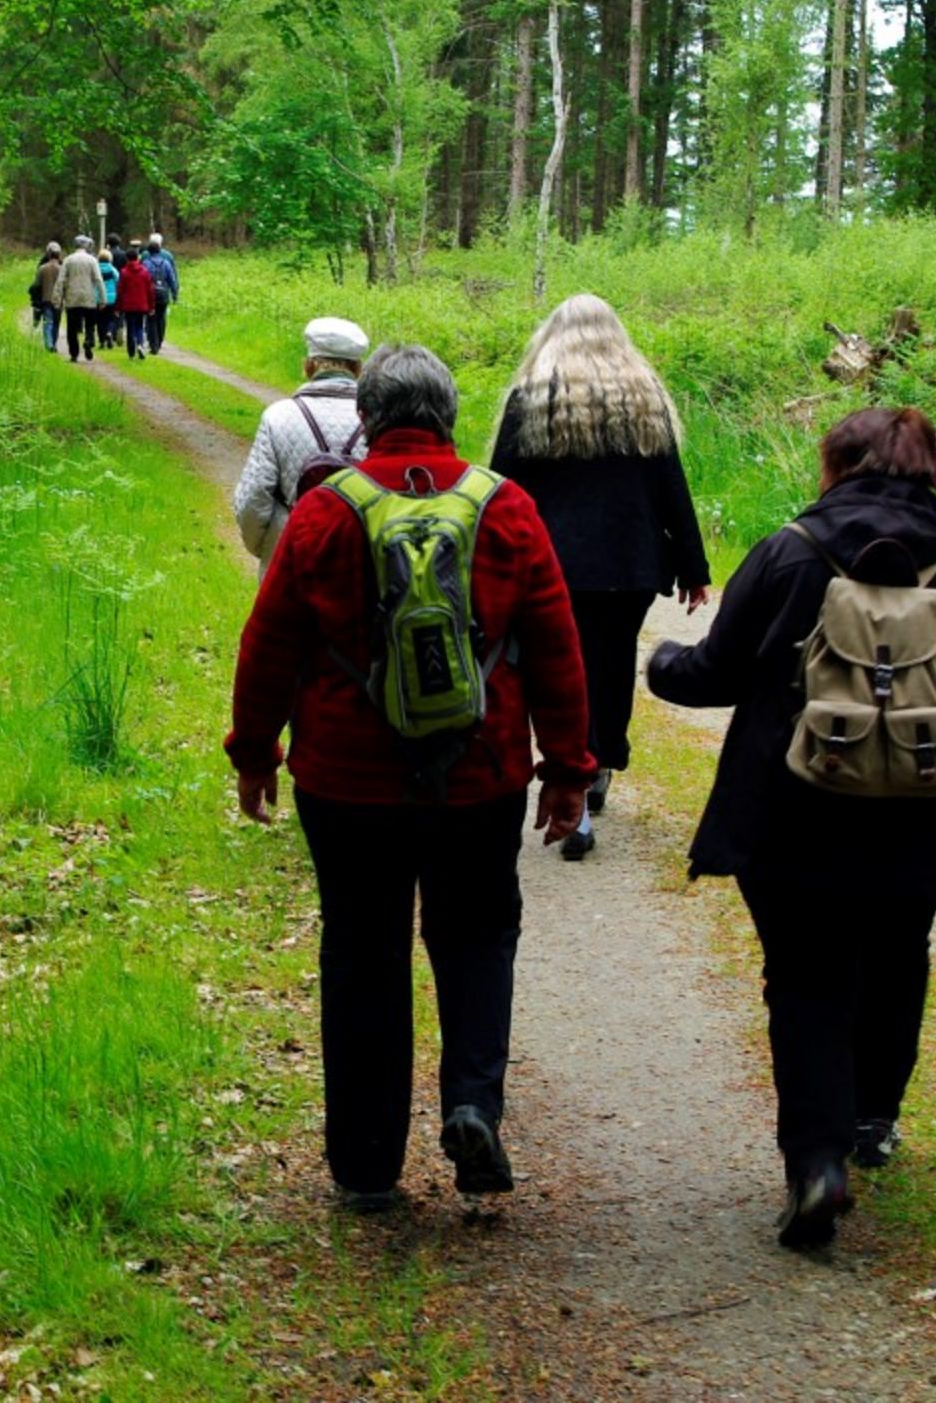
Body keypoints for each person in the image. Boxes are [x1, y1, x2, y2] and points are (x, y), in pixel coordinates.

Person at [646, 406, 936, 1251]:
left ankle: (818, 1162)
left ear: (835, 466)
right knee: (897, 956)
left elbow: (715, 673)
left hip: (792, 809)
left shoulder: (788, 553)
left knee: (805, 976)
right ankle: (873, 1115)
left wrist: (662, 666)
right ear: (929, 474)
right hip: (926, 814)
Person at [227, 344, 594, 1212]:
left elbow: (269, 643)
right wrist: (567, 770)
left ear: (367, 419)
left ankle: (366, 1168)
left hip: (346, 782)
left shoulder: (325, 512)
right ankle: (472, 1105)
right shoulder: (506, 508)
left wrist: (255, 754)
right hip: (481, 776)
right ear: (450, 417)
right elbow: (555, 646)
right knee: (477, 937)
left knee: (363, 953)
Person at [490, 294, 710, 862]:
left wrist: (487, 558)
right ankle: (600, 762)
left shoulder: (531, 399)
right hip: (629, 565)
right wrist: (694, 568)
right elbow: (671, 487)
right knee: (610, 666)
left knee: (559, 672)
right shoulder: (644, 398)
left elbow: (501, 486)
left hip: (552, 564)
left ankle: (580, 776)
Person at [233, 318, 369, 575]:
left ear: (309, 365)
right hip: (359, 561)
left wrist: (268, 548)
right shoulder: (377, 420)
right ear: (358, 368)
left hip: (291, 557)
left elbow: (253, 498)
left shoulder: (278, 416)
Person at [57, 236, 104, 362]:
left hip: (72, 299)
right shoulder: (92, 260)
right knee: (90, 324)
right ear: (87, 246)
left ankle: (74, 354)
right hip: (89, 298)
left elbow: (60, 280)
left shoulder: (68, 260)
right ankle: (89, 340)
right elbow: (98, 280)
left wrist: (57, 299)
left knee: (71, 328)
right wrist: (102, 299)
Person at [115, 242, 156, 359]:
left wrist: (117, 307)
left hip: (128, 305)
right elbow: (150, 290)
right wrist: (152, 306)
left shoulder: (124, 272)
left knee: (130, 327)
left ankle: (131, 352)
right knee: (139, 326)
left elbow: (120, 291)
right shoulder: (145, 272)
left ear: (127, 259)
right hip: (142, 304)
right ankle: (140, 344)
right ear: (137, 258)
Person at [141, 234, 180, 353]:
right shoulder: (166, 262)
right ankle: (160, 339)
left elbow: (142, 279)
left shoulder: (146, 262)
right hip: (163, 294)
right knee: (161, 318)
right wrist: (175, 294)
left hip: (150, 295)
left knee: (151, 319)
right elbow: (172, 279)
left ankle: (153, 344)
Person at [30, 242, 64, 352]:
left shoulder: (42, 268)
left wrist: (35, 297)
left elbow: (36, 285)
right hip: (58, 301)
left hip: (46, 300)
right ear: (59, 255)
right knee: (56, 324)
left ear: (49, 254)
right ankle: (53, 344)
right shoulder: (62, 269)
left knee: (48, 323)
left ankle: (49, 344)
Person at [96, 249, 121, 355]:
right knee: (111, 318)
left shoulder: (96, 269)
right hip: (111, 298)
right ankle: (110, 332)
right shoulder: (113, 270)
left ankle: (102, 341)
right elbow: (118, 282)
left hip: (98, 298)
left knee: (100, 320)